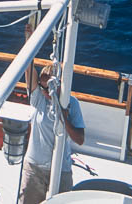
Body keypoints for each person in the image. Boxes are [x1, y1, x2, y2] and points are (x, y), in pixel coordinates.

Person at [18, 64, 85, 204]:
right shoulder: (38, 99)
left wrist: (63, 118)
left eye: (50, 88)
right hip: (35, 167)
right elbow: (29, 69)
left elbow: (79, 139)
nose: (46, 92)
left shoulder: (72, 103)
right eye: (42, 87)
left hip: (62, 169)